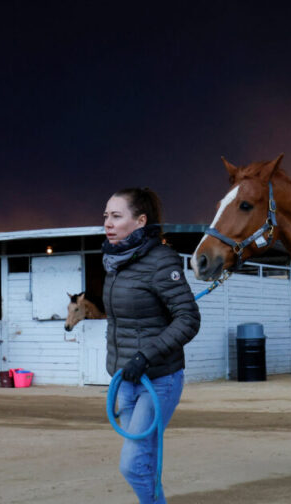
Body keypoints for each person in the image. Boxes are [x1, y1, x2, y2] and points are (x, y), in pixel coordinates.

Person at [103, 187, 200, 504]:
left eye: (117, 216)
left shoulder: (161, 260)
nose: (108, 223)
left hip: (158, 379)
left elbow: (188, 318)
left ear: (140, 221)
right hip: (125, 379)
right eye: (106, 216)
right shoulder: (115, 262)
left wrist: (145, 357)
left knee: (132, 466)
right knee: (144, 463)